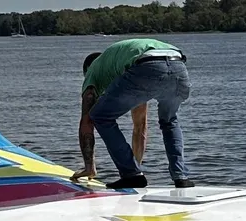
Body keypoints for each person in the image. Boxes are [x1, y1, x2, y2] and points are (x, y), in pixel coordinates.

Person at [72, 38, 195, 189]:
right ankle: (181, 177)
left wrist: (89, 167)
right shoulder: (122, 63)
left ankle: (131, 174)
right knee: (169, 121)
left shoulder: (93, 71)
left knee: (99, 116)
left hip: (147, 67)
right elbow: (140, 126)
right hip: (178, 66)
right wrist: (137, 166)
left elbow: (86, 123)